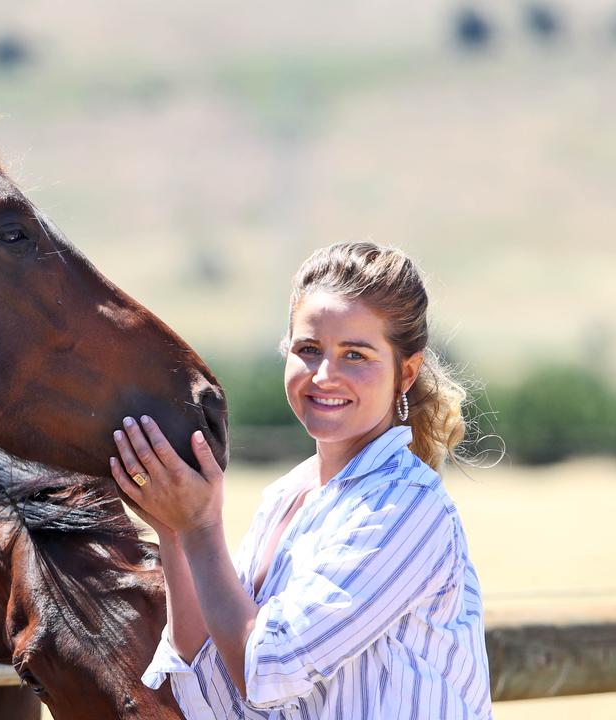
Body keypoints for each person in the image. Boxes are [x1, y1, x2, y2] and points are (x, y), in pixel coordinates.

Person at [110, 241, 492, 719]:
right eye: (309, 349)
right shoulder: (287, 498)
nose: (325, 375)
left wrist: (200, 530)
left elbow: (267, 669)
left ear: (406, 372)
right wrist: (173, 529)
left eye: (355, 355)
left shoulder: (406, 505)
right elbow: (214, 692)